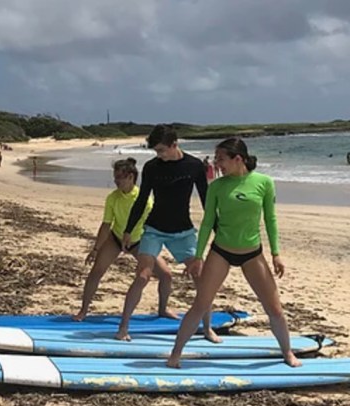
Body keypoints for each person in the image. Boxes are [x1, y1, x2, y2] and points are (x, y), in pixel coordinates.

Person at [167, 138, 301, 368]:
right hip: (221, 251)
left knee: (274, 309)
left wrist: (276, 253)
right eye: (216, 159)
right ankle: (175, 355)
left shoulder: (264, 182)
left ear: (238, 159)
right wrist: (198, 257)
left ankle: (287, 353)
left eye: (221, 159)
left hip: (252, 253)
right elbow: (208, 221)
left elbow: (270, 219)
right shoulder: (217, 187)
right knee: (200, 304)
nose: (217, 164)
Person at [117, 124, 219, 342]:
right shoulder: (152, 167)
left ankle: (208, 328)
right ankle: (123, 327)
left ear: (175, 145)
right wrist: (128, 229)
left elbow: (206, 201)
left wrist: (217, 230)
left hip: (183, 231)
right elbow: (142, 199)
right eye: (156, 151)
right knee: (143, 275)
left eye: (162, 150)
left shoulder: (193, 166)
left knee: (201, 279)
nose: (159, 155)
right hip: (154, 229)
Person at [72, 158, 175, 322]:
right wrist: (96, 249)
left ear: (131, 177)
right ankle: (83, 310)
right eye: (115, 176)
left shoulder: (145, 200)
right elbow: (106, 225)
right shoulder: (113, 198)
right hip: (116, 238)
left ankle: (163, 310)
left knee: (166, 275)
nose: (116, 180)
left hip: (139, 241)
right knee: (96, 271)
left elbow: (151, 227)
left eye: (120, 176)